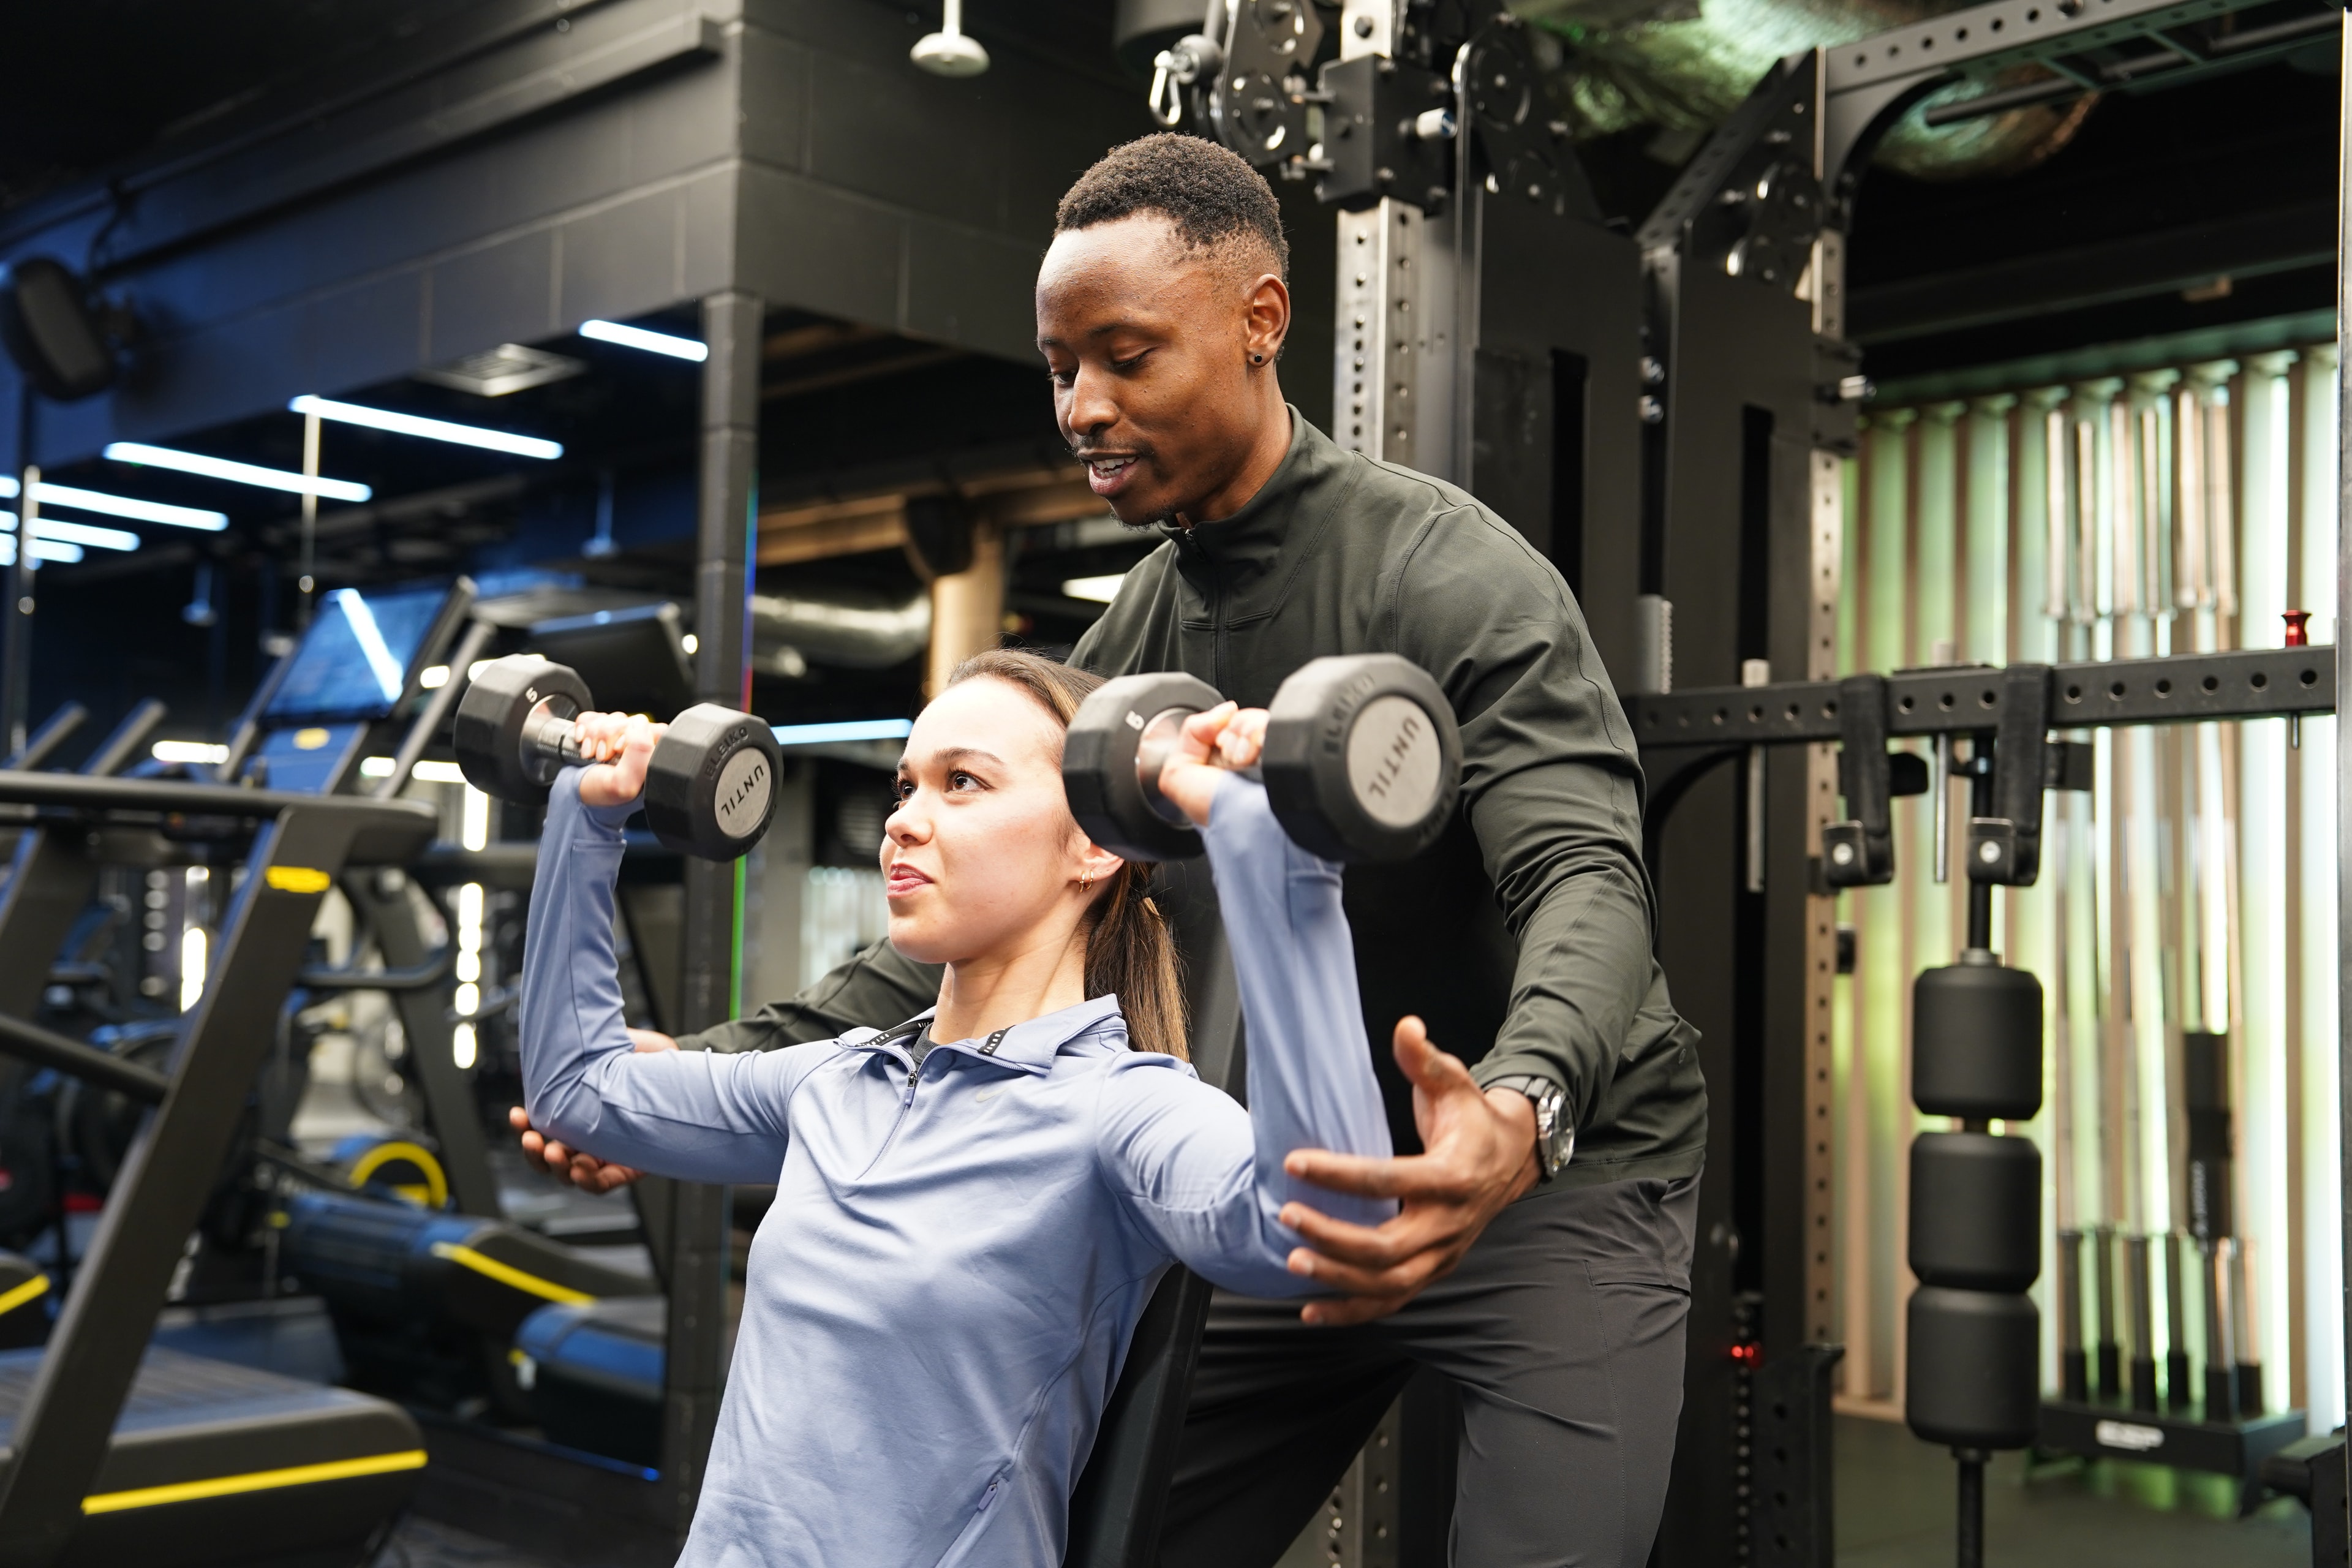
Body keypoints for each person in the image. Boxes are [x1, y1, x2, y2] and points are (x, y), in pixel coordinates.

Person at [520, 134, 1705, 1567]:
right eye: (1060, 366)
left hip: (1543, 1179)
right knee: (1110, 1528)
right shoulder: (1126, 644)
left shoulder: (1448, 575)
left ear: (1261, 321)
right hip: (1304, 1168)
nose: (1083, 405)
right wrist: (683, 1064)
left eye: (1125, 356)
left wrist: (1517, 1106)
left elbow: (1583, 869)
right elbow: (959, 928)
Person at [519, 649, 1402, 1566]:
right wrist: (588, 818)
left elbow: (1324, 1225)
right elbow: (579, 1090)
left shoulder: (1119, 1112)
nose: (903, 821)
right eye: (906, 787)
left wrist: (1277, 860)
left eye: (963, 783)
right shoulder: (836, 1080)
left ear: (1093, 844)